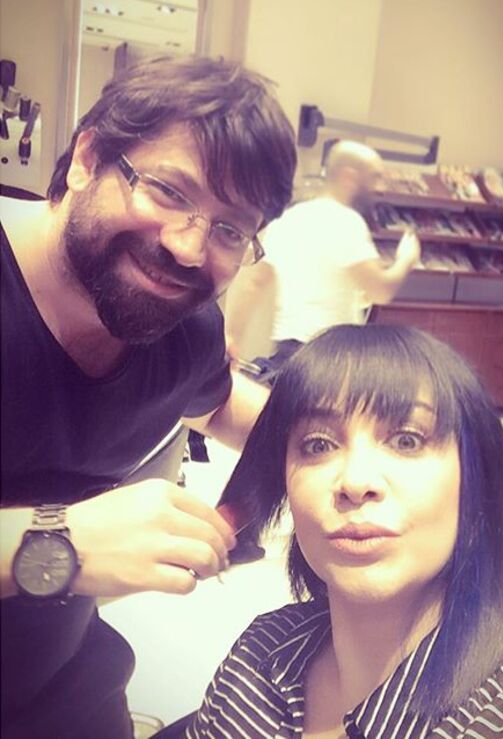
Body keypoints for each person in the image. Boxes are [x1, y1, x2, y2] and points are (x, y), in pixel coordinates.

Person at [0, 54, 296, 738]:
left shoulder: (182, 329)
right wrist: (59, 543)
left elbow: (218, 403)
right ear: (88, 159)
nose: (190, 249)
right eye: (167, 190)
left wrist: (354, 446)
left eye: (229, 229)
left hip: (65, 687)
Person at [184, 324, 503, 738]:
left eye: (406, 441)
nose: (355, 481)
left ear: (477, 485)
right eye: (318, 444)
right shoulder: (261, 653)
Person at [224, 139, 421, 372]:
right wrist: (406, 259)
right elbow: (381, 291)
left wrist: (230, 340)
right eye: (374, 177)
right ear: (349, 177)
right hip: (331, 355)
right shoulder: (347, 222)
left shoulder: (290, 218)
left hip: (288, 353)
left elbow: (254, 284)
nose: (380, 188)